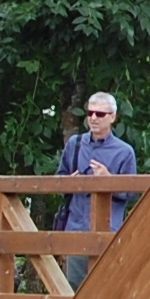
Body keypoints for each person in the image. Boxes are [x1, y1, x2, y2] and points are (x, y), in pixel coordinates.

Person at [58, 92, 138, 284]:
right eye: (90, 113)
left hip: (109, 234)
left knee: (106, 290)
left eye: (100, 114)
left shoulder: (124, 152)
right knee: (74, 293)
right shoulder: (74, 144)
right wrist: (70, 182)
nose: (93, 118)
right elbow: (59, 180)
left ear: (112, 117)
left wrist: (109, 181)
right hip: (76, 230)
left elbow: (133, 192)